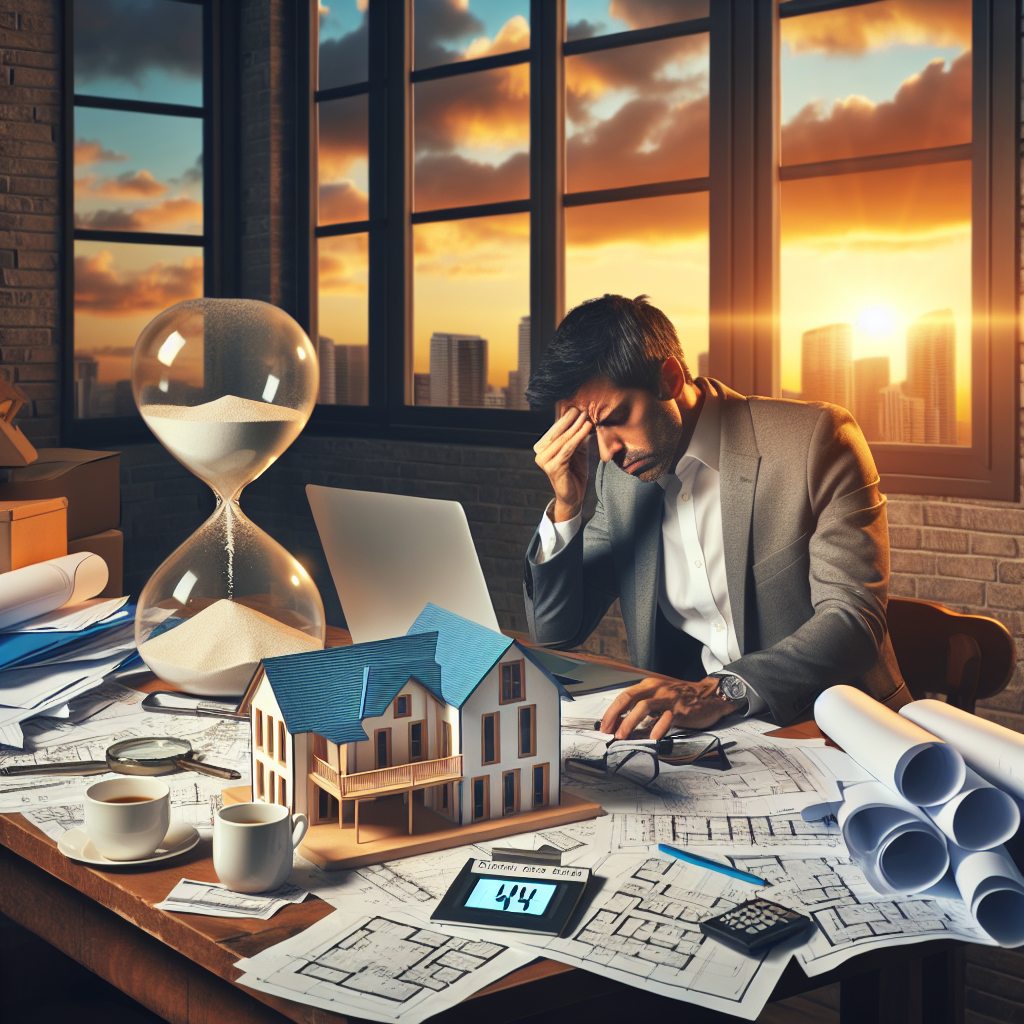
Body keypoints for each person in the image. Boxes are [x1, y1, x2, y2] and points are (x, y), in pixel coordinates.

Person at [523, 294, 910, 740]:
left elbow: (852, 618)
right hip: (708, 742)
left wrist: (723, 692)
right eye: (592, 431)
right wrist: (567, 507)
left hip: (840, 731)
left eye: (616, 418)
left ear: (669, 377)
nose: (607, 451)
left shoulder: (817, 442)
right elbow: (556, 631)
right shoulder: (621, 481)